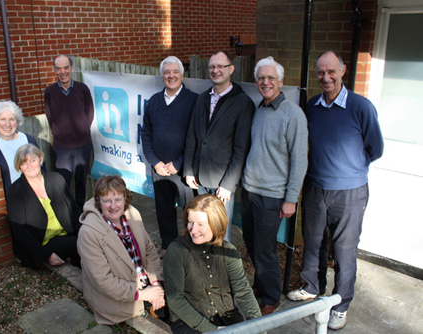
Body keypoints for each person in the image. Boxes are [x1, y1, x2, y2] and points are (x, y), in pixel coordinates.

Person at [286, 50, 384, 330]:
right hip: (316, 188)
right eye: (320, 72)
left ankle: (340, 304)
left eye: (331, 71)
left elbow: (375, 148)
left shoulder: (360, 107)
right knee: (313, 243)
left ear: (343, 70)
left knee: (344, 249)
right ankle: (312, 287)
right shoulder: (312, 105)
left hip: (350, 192)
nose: (325, 77)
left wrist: (349, 168)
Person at [241, 56, 308, 316]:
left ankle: (271, 297)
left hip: (272, 196)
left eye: (271, 78)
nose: (265, 82)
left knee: (266, 249)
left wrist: (291, 199)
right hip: (250, 191)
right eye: (261, 78)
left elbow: (300, 160)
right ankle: (260, 285)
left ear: (281, 82)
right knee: (252, 242)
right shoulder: (258, 109)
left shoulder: (293, 115)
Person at [183, 51, 254, 242]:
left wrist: (228, 184)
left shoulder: (243, 103)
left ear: (231, 69)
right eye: (212, 67)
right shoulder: (202, 98)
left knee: (221, 232)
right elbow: (192, 136)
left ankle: (221, 270)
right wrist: (189, 170)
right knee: (200, 229)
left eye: (221, 66)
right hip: (199, 178)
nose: (216, 70)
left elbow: (241, 148)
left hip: (222, 183)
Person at [164, 194, 262, 333]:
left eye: (201, 224)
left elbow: (243, 291)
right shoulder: (177, 251)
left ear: (216, 223)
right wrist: (212, 330)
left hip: (227, 318)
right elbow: (175, 300)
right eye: (190, 222)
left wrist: (260, 326)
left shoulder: (228, 251)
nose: (193, 229)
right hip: (189, 322)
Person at [77, 175, 165, 325]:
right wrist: (141, 294)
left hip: (145, 282)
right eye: (107, 201)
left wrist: (156, 283)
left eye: (118, 199)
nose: (113, 206)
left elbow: (150, 251)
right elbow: (103, 280)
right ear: (99, 201)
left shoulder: (132, 214)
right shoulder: (88, 232)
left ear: (125, 198)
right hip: (119, 295)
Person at [141, 56, 198, 258]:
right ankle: (168, 247)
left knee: (190, 213)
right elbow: (146, 133)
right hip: (159, 170)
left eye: (175, 72)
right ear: (162, 75)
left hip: (183, 170)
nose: (171, 76)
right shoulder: (154, 101)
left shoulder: (193, 101)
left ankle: (192, 249)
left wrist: (180, 163)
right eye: (167, 72)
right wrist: (155, 163)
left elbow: (197, 138)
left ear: (182, 75)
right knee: (164, 211)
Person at [6, 143, 81, 269]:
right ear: (19, 167)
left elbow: (74, 209)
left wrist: (85, 229)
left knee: (91, 238)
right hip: (43, 244)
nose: (29, 166)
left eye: (33, 160)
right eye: (24, 163)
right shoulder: (16, 191)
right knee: (83, 244)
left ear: (41, 159)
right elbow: (20, 232)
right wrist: (46, 254)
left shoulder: (56, 179)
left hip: (66, 235)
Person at [44, 54, 94, 208]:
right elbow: (50, 116)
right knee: (62, 185)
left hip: (82, 147)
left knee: (81, 184)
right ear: (54, 71)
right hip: (62, 149)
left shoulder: (82, 89)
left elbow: (90, 113)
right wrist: (59, 132)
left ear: (72, 68)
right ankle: (66, 216)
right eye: (58, 69)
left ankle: (79, 214)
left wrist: (82, 129)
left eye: (66, 67)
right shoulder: (50, 92)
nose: (63, 72)